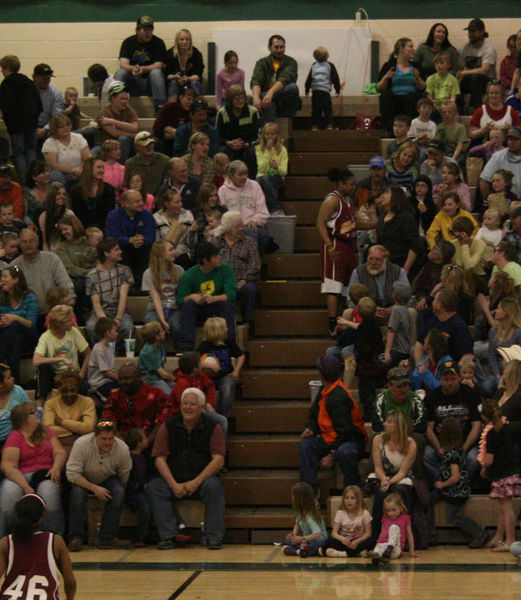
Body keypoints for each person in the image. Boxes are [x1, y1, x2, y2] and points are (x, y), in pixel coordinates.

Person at [147, 387, 226, 550]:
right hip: (174, 479)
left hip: (201, 480)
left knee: (214, 486)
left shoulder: (213, 427)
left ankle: (214, 537)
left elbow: (218, 459)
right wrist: (173, 484)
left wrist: (196, 482)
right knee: (154, 487)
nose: (188, 407)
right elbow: (159, 458)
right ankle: (168, 536)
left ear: (202, 408)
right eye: (185, 403)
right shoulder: (168, 425)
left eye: (193, 404)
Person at [299, 355, 367, 496]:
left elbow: (346, 432)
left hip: (352, 440)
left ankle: (355, 490)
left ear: (321, 375)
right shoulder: (325, 391)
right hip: (330, 438)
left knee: (345, 452)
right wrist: (310, 428)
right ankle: (310, 493)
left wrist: (332, 455)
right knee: (306, 445)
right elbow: (314, 414)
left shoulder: (339, 396)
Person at [0, 402, 66, 538]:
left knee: (49, 496)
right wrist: (26, 487)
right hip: (19, 475)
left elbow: (60, 452)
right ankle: (7, 538)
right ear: (23, 418)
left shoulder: (46, 431)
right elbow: (8, 466)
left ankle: (52, 538)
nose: (37, 414)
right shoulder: (15, 436)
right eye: (32, 412)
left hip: (45, 472)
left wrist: (56, 467)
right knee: (8, 498)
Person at [66, 419, 132, 551]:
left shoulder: (123, 449)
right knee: (77, 494)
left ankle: (107, 537)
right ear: (95, 436)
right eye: (103, 439)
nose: (107, 443)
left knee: (119, 492)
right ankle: (76, 538)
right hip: (82, 477)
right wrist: (94, 488)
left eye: (110, 439)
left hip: (108, 477)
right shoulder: (81, 444)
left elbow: (124, 476)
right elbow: (72, 474)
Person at [0, 495, 76, 600]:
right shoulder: (56, 542)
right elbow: (70, 582)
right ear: (43, 516)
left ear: (17, 516)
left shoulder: (6, 543)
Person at [428, 417, 489, 548]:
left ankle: (480, 532)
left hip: (456, 492)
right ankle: (430, 532)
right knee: (429, 500)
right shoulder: (458, 451)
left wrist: (441, 484)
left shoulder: (452, 456)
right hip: (451, 490)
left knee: (452, 517)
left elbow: (455, 477)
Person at [424, 359, 481, 483]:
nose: (450, 383)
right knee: (427, 454)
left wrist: (464, 449)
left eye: (453, 378)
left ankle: (461, 484)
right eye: (446, 379)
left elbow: (477, 425)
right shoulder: (432, 397)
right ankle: (444, 484)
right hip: (441, 444)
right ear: (440, 379)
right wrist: (438, 447)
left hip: (465, 443)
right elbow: (428, 428)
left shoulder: (471, 394)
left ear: (459, 377)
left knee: (473, 458)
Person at [316, 167, 357, 334]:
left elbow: (354, 224)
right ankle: (332, 323)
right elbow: (320, 222)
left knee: (346, 287)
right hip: (335, 243)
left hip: (348, 244)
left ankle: (343, 320)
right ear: (341, 184)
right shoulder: (333, 200)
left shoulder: (348, 200)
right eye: (351, 184)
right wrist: (330, 246)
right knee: (334, 286)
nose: (353, 187)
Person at [480, 400, 521, 552]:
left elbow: (489, 459)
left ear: (484, 417)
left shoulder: (492, 434)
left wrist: (483, 466)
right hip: (510, 469)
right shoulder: (506, 428)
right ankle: (499, 537)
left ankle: (510, 541)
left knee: (507, 507)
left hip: (503, 473)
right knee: (503, 507)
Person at [369, 411, 417, 537]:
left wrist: (390, 482)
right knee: (381, 493)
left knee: (400, 492)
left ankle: (401, 535)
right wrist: (384, 479)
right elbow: (378, 468)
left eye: (388, 422)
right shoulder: (377, 440)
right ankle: (376, 535)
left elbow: (402, 472)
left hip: (401, 478)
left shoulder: (410, 444)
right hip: (383, 476)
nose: (384, 424)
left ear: (398, 425)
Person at [11, 228, 75, 323]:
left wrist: (69, 307)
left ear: (37, 242)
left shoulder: (52, 259)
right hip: (26, 317)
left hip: (54, 314)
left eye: (31, 241)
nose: (28, 245)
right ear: (20, 245)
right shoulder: (15, 267)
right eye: (24, 242)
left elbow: (66, 285)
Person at [33, 304, 90, 404]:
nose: (72, 322)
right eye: (68, 321)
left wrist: (82, 374)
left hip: (72, 374)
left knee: (82, 385)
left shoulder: (74, 332)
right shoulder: (46, 336)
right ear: (59, 324)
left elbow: (88, 353)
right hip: (55, 376)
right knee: (43, 368)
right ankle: (40, 407)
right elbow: (36, 360)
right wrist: (61, 359)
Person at [212, 210, 260, 327]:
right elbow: (209, 264)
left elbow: (255, 265)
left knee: (250, 289)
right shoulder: (215, 242)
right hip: (220, 281)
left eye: (241, 226)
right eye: (237, 227)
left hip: (242, 281)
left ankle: (246, 322)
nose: (241, 229)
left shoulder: (249, 242)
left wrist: (243, 280)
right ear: (227, 228)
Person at [85, 237, 134, 347]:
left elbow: (123, 297)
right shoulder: (92, 276)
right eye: (116, 249)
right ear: (106, 253)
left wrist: (118, 319)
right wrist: (105, 323)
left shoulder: (124, 271)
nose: (120, 252)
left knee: (127, 327)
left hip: (119, 310)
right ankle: (99, 352)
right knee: (91, 327)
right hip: (101, 312)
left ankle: (121, 354)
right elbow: (96, 304)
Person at [0, 55, 42, 182]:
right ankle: (33, 179)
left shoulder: (6, 84)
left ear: (7, 68)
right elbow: (39, 103)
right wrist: (34, 118)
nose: (1, 71)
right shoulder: (28, 82)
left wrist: (9, 122)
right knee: (31, 151)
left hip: (16, 125)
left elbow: (5, 105)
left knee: (18, 153)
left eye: (2, 68)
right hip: (31, 124)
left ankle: (24, 182)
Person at [114, 15, 166, 114]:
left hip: (149, 84)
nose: (148, 32)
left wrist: (143, 69)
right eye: (145, 29)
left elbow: (159, 65)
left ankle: (160, 108)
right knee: (121, 73)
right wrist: (134, 69)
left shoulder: (158, 43)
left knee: (156, 73)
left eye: (150, 29)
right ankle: (116, 107)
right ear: (137, 30)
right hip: (132, 82)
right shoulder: (128, 42)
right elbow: (123, 64)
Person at [102, 361, 166, 441]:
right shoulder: (114, 397)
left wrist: (147, 442)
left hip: (150, 442)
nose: (123, 382)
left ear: (138, 377)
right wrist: (122, 444)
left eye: (127, 378)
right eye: (121, 379)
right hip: (120, 443)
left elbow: (163, 422)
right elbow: (106, 422)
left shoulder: (156, 394)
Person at [105, 189, 156, 286]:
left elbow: (151, 237)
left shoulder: (147, 215)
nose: (141, 203)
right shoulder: (113, 216)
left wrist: (141, 241)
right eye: (137, 201)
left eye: (141, 200)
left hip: (142, 249)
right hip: (122, 250)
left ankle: (143, 287)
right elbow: (112, 237)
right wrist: (129, 240)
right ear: (125, 204)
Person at [197, 316, 245, 418]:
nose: (227, 329)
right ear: (218, 331)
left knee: (226, 389)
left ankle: (221, 417)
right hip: (208, 377)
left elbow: (240, 355)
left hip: (225, 375)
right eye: (225, 327)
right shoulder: (205, 345)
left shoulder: (228, 341)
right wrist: (210, 366)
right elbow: (195, 361)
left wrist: (236, 371)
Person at [142, 239, 185, 349]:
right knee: (152, 325)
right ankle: (151, 354)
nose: (174, 252)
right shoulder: (149, 273)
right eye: (170, 250)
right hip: (155, 309)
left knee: (177, 325)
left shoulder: (179, 270)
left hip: (174, 308)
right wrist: (162, 321)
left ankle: (180, 352)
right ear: (161, 254)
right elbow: (156, 299)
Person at [347, 244, 409, 320]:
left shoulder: (398, 272)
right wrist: (370, 309)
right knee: (348, 312)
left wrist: (393, 310)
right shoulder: (358, 272)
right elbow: (350, 300)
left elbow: (408, 299)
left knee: (411, 312)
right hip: (366, 313)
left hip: (393, 312)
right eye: (371, 259)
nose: (373, 263)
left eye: (377, 260)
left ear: (385, 260)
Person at [376, 38, 425, 134]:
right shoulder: (389, 65)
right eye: (410, 47)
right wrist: (386, 78)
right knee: (385, 95)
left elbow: (422, 88)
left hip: (410, 98)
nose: (413, 49)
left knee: (415, 96)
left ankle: (410, 130)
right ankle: (391, 130)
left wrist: (418, 77)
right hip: (394, 98)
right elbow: (379, 88)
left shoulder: (416, 66)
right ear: (401, 49)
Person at [375, 185, 424, 278]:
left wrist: (406, 268)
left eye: (387, 192)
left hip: (401, 263)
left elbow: (414, 245)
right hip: (385, 263)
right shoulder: (382, 217)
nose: (383, 196)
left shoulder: (406, 217)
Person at [218, 160, 269, 248]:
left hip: (253, 226)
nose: (244, 177)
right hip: (232, 228)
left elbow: (263, 212)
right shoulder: (222, 190)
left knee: (250, 234)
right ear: (231, 176)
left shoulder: (255, 186)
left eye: (246, 174)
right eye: (240, 175)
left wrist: (254, 220)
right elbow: (222, 215)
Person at [0, 266, 38, 384]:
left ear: (16, 280)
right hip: (9, 336)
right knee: (15, 338)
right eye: (1, 277)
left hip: (29, 336)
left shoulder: (29, 297)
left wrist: (14, 318)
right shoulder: (1, 297)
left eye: (5, 277)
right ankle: (15, 381)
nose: (2, 280)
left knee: (15, 325)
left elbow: (31, 324)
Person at [42, 370, 96, 453]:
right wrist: (76, 429)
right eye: (64, 391)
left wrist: (62, 422)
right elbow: (48, 430)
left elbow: (89, 428)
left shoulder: (87, 402)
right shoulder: (50, 404)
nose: (69, 394)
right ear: (59, 390)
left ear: (78, 389)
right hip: (57, 444)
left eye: (73, 390)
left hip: (82, 443)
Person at [415, 289, 473, 364]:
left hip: (450, 366)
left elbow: (467, 355)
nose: (432, 303)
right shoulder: (434, 320)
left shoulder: (459, 326)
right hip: (431, 361)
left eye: (434, 300)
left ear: (439, 305)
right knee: (413, 350)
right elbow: (420, 343)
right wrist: (419, 366)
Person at [250, 34, 300, 122]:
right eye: (276, 47)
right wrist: (256, 97)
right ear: (269, 48)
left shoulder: (291, 62)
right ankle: (269, 134)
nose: (279, 50)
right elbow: (256, 81)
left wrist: (270, 94)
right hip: (267, 102)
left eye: (282, 47)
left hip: (285, 103)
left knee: (293, 88)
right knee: (266, 100)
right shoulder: (261, 63)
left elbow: (284, 78)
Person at [321, 485, 372, 558]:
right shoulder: (340, 513)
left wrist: (357, 541)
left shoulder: (365, 513)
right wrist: (342, 539)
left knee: (371, 541)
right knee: (329, 541)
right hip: (345, 542)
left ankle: (343, 554)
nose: (349, 501)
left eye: (352, 498)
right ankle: (356, 554)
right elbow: (334, 533)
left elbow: (368, 533)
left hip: (359, 542)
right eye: (346, 498)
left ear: (358, 500)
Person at [458, 19, 497, 113]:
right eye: (469, 31)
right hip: (470, 81)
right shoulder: (464, 49)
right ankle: (460, 111)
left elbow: (484, 71)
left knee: (476, 77)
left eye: (473, 31)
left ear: (482, 32)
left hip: (487, 82)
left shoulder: (488, 49)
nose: (470, 34)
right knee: (455, 83)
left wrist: (465, 72)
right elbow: (460, 69)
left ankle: (476, 110)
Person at [42, 114, 91, 189]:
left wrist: (86, 168)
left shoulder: (78, 137)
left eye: (67, 125)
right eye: (61, 126)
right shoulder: (50, 143)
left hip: (80, 172)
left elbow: (87, 156)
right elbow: (53, 165)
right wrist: (72, 171)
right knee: (55, 175)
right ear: (54, 128)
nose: (65, 128)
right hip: (62, 173)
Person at [373, 367, 427, 434]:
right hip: (388, 436)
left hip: (409, 437)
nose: (403, 390)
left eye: (405, 385)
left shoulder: (415, 400)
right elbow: (376, 427)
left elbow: (421, 427)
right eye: (398, 386)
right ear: (390, 386)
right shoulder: (381, 399)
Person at [97, 81, 138, 165]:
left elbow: (134, 128)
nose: (125, 101)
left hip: (126, 145)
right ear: (112, 99)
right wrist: (132, 134)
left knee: (124, 140)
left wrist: (113, 121)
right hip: (107, 147)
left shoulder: (129, 110)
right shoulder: (103, 114)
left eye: (126, 99)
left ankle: (120, 170)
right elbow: (115, 133)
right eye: (122, 99)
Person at [70, 157, 116, 230]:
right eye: (99, 167)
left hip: (104, 229)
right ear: (89, 169)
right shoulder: (76, 191)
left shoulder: (108, 189)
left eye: (103, 168)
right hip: (83, 231)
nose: (102, 170)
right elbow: (77, 216)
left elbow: (110, 215)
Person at [216, 84, 260, 161]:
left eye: (242, 98)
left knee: (253, 151)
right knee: (222, 152)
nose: (240, 101)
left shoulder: (253, 111)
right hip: (229, 146)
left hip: (247, 146)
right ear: (230, 100)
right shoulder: (222, 112)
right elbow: (217, 135)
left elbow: (257, 135)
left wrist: (247, 144)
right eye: (237, 99)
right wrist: (229, 143)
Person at [282, 482, 327, 556]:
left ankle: (299, 551)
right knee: (289, 540)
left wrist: (301, 539)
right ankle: (303, 551)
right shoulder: (300, 511)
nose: (292, 498)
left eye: (293, 496)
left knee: (319, 541)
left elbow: (317, 534)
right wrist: (293, 535)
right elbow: (297, 524)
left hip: (316, 539)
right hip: (307, 539)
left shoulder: (310, 515)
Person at [371, 493, 416, 564]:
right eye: (388, 510)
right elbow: (382, 533)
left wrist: (412, 552)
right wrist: (378, 544)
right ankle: (377, 554)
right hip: (384, 546)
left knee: (393, 527)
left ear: (400, 508)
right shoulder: (385, 518)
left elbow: (409, 535)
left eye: (394, 510)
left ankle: (390, 548)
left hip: (395, 548)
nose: (391, 513)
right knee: (379, 547)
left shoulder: (405, 518)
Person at [255, 122, 288, 215]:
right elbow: (261, 168)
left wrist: (277, 167)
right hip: (261, 176)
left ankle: (275, 209)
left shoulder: (282, 149)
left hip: (276, 176)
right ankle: (260, 211)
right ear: (263, 135)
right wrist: (267, 151)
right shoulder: (259, 148)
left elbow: (284, 172)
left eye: (272, 134)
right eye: (267, 134)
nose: (269, 137)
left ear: (276, 135)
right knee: (256, 183)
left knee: (265, 179)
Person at [304, 45, 341, 131]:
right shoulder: (330, 65)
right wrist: (337, 89)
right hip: (325, 91)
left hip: (315, 90)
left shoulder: (314, 65)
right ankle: (329, 124)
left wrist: (307, 88)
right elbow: (335, 77)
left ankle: (315, 125)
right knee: (327, 108)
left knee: (316, 109)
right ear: (326, 56)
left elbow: (309, 78)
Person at [480, 127, 521, 201]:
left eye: (516, 139)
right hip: (504, 201)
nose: (512, 142)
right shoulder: (498, 156)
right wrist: (489, 201)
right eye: (510, 139)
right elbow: (484, 181)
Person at [152, 86, 195, 156]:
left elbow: (188, 136)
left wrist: (168, 129)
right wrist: (175, 133)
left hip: (184, 146)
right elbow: (157, 130)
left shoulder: (193, 112)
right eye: (188, 99)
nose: (191, 102)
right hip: (165, 143)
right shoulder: (169, 107)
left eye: (193, 100)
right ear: (181, 98)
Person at [125, 131, 169, 197]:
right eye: (146, 145)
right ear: (137, 147)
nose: (149, 147)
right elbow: (129, 186)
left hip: (160, 198)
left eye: (151, 144)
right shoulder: (130, 164)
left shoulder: (165, 160)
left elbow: (167, 184)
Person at [138, 321, 175, 396]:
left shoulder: (159, 346)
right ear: (157, 336)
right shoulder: (148, 352)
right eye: (162, 331)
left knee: (178, 389)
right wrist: (176, 379)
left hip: (158, 377)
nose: (164, 332)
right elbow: (163, 374)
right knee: (170, 395)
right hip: (150, 379)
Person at [87, 317, 119, 403]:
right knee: (114, 398)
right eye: (115, 331)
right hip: (99, 384)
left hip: (109, 381)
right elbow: (106, 372)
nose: (117, 333)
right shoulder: (98, 349)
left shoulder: (110, 347)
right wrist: (120, 378)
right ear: (108, 333)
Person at [410, 329, 452, 393]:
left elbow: (444, 389)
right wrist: (408, 372)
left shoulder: (447, 362)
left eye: (426, 339)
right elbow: (415, 386)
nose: (424, 340)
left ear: (430, 345)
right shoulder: (424, 359)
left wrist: (426, 374)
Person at [165, 28, 204, 97]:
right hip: (176, 81)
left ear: (190, 41)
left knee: (194, 83)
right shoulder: (170, 54)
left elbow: (198, 75)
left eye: (187, 40)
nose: (184, 42)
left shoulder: (196, 54)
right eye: (182, 39)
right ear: (177, 41)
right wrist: (175, 76)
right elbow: (167, 75)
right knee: (174, 82)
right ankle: (172, 105)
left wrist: (188, 78)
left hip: (191, 81)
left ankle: (197, 105)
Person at [0, 364, 31, 450]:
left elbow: (30, 413)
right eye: (9, 378)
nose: (13, 379)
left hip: (15, 439)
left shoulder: (18, 391)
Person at [384, 282, 413, 367]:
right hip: (406, 349)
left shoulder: (396, 310)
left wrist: (387, 352)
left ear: (394, 296)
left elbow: (391, 331)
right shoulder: (406, 310)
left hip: (397, 350)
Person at [32, 63, 64, 142]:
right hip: (28, 127)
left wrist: (45, 129)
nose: (47, 80)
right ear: (34, 77)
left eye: (49, 78)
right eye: (44, 78)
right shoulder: (26, 91)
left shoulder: (55, 93)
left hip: (47, 127)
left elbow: (56, 116)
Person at [39, 183, 74, 252]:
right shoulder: (44, 217)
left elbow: (73, 238)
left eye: (64, 194)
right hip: (52, 252)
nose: (62, 197)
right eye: (58, 194)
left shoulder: (69, 214)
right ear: (52, 196)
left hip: (67, 250)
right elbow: (45, 242)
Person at [23, 160, 51, 226]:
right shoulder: (27, 192)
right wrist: (31, 225)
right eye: (42, 172)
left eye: (47, 171)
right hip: (35, 226)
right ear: (34, 177)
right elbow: (25, 215)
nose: (47, 174)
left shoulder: (56, 188)